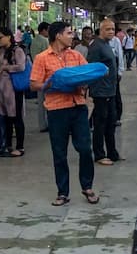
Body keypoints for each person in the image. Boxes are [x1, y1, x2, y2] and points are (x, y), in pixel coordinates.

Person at [30, 21, 99, 207]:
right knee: (59, 153)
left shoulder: (76, 56)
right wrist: (53, 83)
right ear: (58, 35)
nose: (72, 36)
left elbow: (87, 76)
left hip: (78, 107)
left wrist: (84, 83)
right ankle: (63, 192)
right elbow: (34, 84)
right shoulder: (42, 58)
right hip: (56, 110)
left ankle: (87, 186)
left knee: (85, 148)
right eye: (69, 33)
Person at [88, 20, 120, 165]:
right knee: (100, 124)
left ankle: (112, 152)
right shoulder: (96, 46)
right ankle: (99, 154)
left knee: (111, 123)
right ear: (100, 30)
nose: (111, 32)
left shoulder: (107, 45)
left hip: (110, 90)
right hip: (100, 92)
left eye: (113, 29)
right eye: (108, 29)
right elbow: (92, 69)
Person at [0, 27, 26, 158]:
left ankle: (20, 146)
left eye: (0, 37)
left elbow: (21, 66)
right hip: (1, 90)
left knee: (16, 117)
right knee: (5, 118)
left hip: (13, 88)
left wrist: (6, 67)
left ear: (8, 37)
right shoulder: (0, 51)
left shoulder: (17, 50)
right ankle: (8, 145)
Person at [32, 22, 50, 133]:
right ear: (43, 30)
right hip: (44, 73)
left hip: (36, 73)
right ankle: (47, 124)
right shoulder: (44, 41)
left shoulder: (34, 40)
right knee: (46, 100)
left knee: (40, 100)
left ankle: (42, 125)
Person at [109, 29, 126, 125]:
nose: (109, 31)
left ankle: (117, 117)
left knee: (116, 95)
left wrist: (120, 71)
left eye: (111, 29)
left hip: (114, 72)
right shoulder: (98, 42)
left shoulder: (115, 40)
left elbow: (120, 55)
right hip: (103, 73)